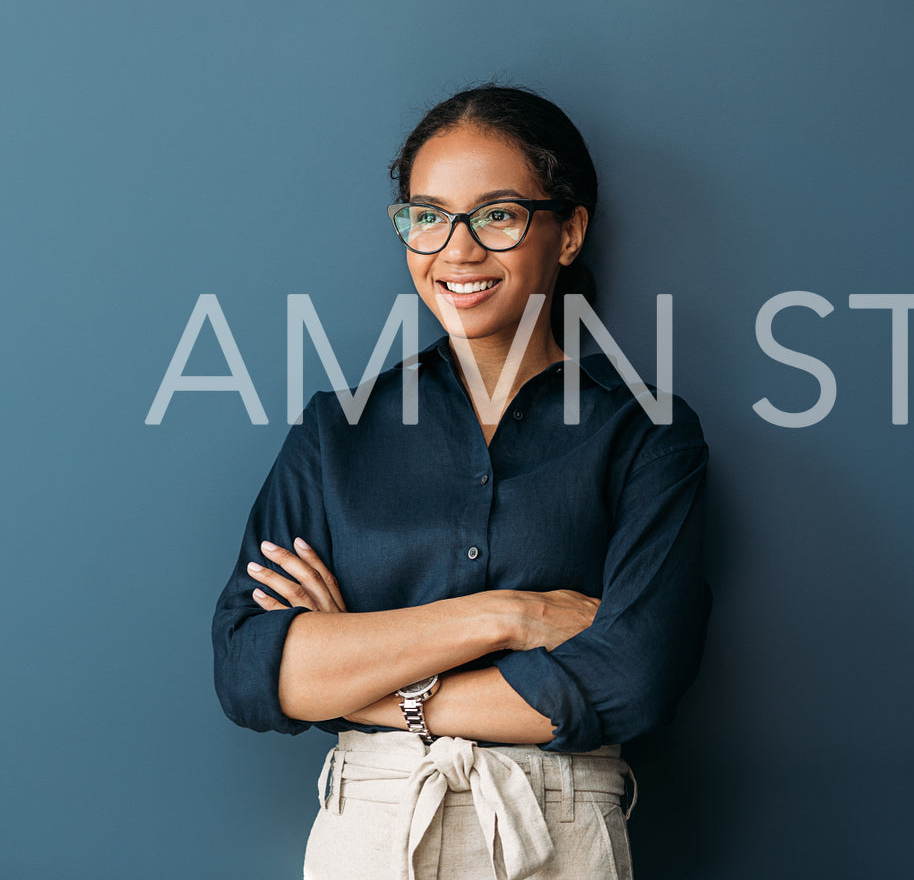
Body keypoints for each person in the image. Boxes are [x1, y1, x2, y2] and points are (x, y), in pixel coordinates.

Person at [210, 83, 713, 880]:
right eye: (428, 215)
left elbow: (628, 680)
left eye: (499, 213)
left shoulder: (646, 434)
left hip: (557, 832)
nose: (457, 249)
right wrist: (508, 616)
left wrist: (357, 683)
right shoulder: (335, 432)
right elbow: (249, 668)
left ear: (569, 230)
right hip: (370, 836)